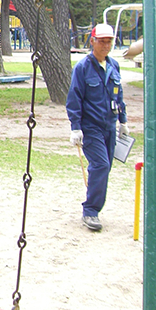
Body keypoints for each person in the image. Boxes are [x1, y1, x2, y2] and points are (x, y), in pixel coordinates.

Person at [66, 23, 129, 231]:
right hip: (91, 127)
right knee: (100, 165)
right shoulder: (83, 67)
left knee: (105, 168)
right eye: (102, 41)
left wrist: (123, 122)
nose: (106, 45)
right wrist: (75, 127)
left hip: (110, 126)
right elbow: (74, 98)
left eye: (109, 41)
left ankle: (94, 206)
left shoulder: (114, 66)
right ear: (92, 41)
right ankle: (91, 211)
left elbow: (118, 96)